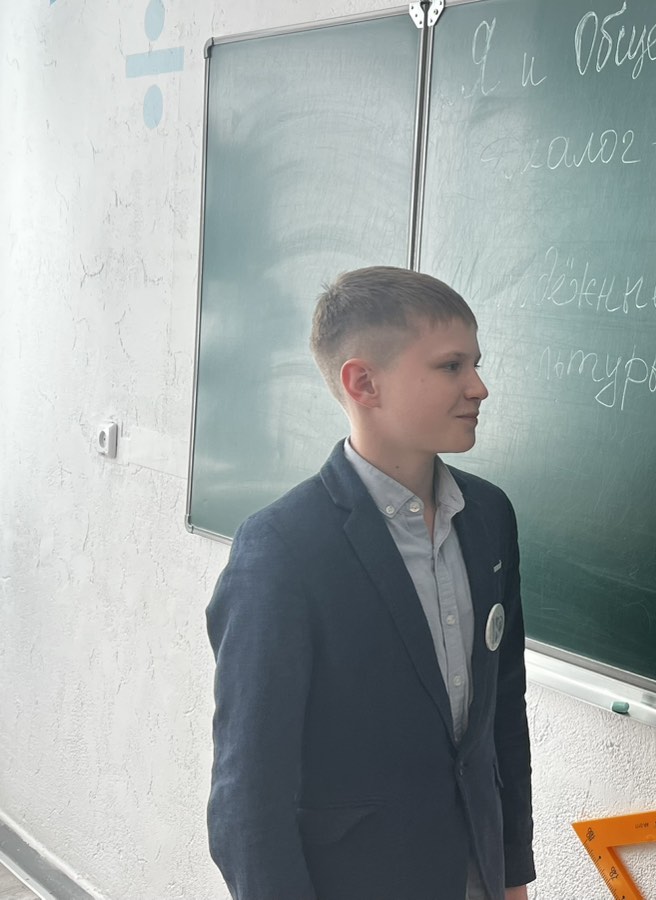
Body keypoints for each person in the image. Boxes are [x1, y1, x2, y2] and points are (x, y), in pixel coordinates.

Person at [206, 267, 534, 900]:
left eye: (476, 364)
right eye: (451, 366)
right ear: (363, 382)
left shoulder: (489, 516)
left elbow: (502, 715)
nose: (479, 387)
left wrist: (513, 871)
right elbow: (248, 796)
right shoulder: (283, 548)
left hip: (478, 876)